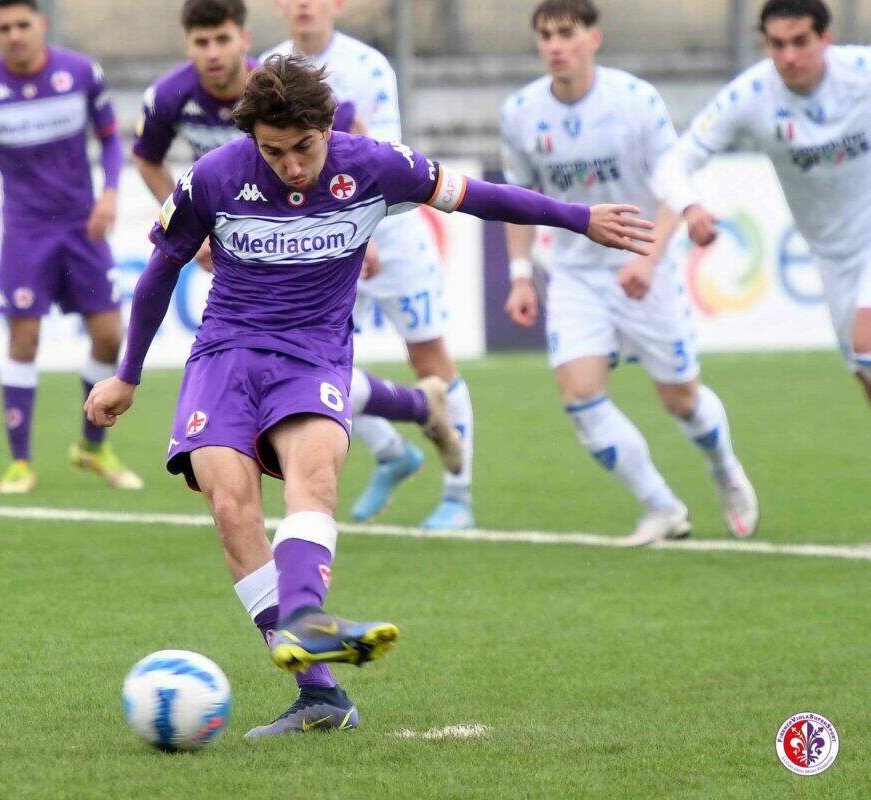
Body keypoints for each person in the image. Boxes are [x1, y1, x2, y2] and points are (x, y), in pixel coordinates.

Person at [87, 56, 654, 736]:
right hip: (226, 353)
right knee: (232, 506)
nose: (293, 165)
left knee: (315, 473)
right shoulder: (214, 177)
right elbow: (160, 270)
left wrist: (578, 217)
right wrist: (128, 374)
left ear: (329, 126)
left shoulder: (379, 166)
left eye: (305, 147)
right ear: (252, 142)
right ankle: (322, 695)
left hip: (316, 352)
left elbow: (479, 196)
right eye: (275, 152)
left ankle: (304, 616)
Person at [133, 0, 459, 468]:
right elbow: (146, 157)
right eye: (201, 42)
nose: (213, 53)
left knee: (302, 356)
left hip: (314, 232)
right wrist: (196, 231)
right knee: (286, 357)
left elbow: (353, 136)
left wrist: (355, 223)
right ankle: (403, 431)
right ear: (187, 45)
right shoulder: (169, 97)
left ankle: (415, 429)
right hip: (247, 240)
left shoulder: (274, 90)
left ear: (244, 40)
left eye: (222, 39)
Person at [500, 0, 760, 544]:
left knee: (681, 400)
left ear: (594, 38)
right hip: (574, 273)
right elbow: (518, 200)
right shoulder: (522, 111)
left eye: (566, 33)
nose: (554, 45)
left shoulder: (636, 100)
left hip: (646, 264)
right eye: (545, 35)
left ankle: (724, 466)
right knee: (579, 396)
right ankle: (662, 506)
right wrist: (521, 274)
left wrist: (650, 255)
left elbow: (672, 179)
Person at [263, 0, 477, 530]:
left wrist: (366, 232)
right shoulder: (267, 67)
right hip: (320, 238)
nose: (303, 6)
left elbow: (382, 155)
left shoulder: (370, 65)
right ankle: (392, 453)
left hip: (391, 232)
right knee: (309, 362)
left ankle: (458, 495)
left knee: (428, 356)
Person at [0, 0, 142, 494]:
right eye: (3, 27)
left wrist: (110, 192)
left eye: (22, 25)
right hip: (26, 233)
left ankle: (91, 447)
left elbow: (112, 140)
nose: (14, 35)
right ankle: (21, 462)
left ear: (41, 25)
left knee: (111, 338)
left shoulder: (79, 73)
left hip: (82, 227)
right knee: (24, 340)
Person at [656, 0, 871, 409]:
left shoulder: (861, 71)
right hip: (832, 256)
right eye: (777, 44)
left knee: (868, 346)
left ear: (826, 38)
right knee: (865, 374)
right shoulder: (752, 94)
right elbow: (672, 165)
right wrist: (690, 207)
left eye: (800, 42)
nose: (788, 57)